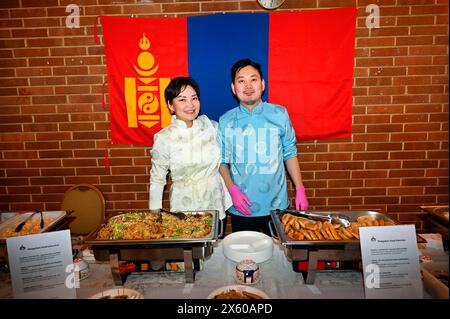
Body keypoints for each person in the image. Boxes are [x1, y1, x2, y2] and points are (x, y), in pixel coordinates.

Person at [218, 58, 309, 235]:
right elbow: (222, 162)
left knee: (279, 260)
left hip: (277, 206)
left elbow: (290, 153)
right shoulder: (226, 121)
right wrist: (232, 189)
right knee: (245, 260)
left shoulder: (280, 114)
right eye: (241, 81)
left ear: (262, 84)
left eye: (253, 79)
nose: (248, 86)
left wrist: (299, 188)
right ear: (234, 88)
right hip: (242, 207)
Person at [149, 77, 232, 222]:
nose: (190, 104)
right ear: (170, 105)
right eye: (182, 100)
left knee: (216, 243)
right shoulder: (164, 138)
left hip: (215, 203)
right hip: (184, 208)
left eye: (194, 98)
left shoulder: (212, 127)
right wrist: (156, 214)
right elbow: (157, 179)